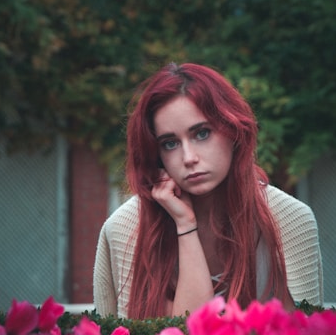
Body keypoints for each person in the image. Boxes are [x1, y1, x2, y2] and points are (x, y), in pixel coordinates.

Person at [93, 62, 323, 319]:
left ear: (233, 130)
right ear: (155, 156)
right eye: (170, 144)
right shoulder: (126, 227)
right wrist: (185, 224)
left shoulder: (290, 220)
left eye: (202, 133)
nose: (189, 158)